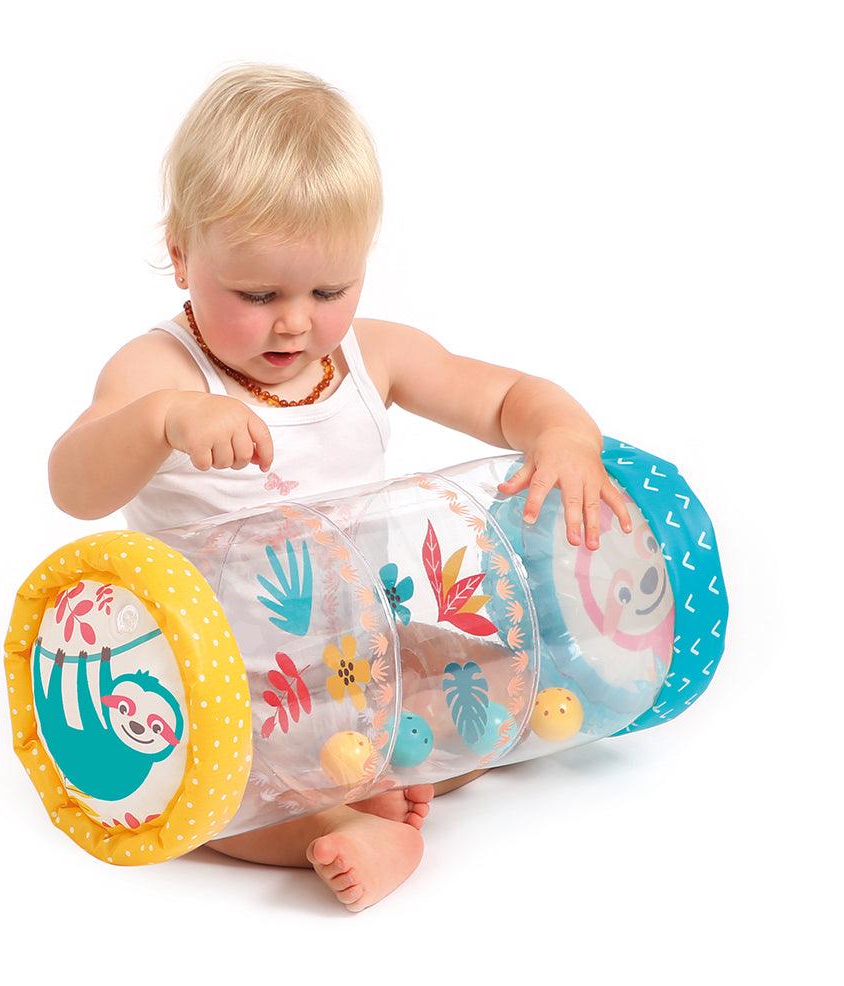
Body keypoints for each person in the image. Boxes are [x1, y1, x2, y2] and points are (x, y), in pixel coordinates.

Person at [48, 63, 633, 912]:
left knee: (492, 670)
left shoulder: (373, 355)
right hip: (227, 690)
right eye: (258, 293)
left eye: (330, 289)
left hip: (363, 659)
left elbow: (507, 395)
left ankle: (381, 769)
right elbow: (73, 486)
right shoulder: (158, 372)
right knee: (191, 795)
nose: (296, 321)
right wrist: (162, 421)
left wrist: (563, 437)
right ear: (180, 255)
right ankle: (341, 823)